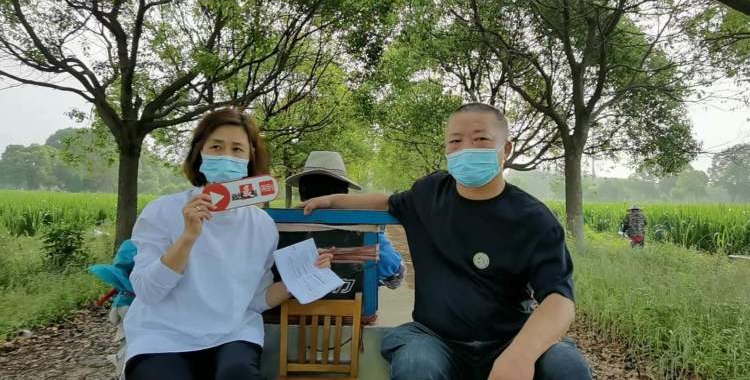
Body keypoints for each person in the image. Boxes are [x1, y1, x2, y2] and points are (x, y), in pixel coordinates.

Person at [302, 103, 592, 380]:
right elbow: (388, 202)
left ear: (506, 149)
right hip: (435, 339)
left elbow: (559, 299)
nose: (466, 149)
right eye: (455, 141)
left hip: (510, 338)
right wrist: (333, 200)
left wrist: (520, 356)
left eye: (480, 139)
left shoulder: (533, 218)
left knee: (566, 365)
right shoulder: (430, 193)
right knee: (416, 364)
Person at [123, 109, 332, 380]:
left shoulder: (262, 225)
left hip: (232, 334)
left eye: (237, 149)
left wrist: (303, 276)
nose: (226, 157)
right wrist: (187, 238)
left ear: (250, 157)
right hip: (162, 336)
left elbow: (256, 300)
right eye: (216, 147)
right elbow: (147, 292)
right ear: (200, 152)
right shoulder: (162, 210)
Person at [286, 151, 406, 289]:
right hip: (353, 301)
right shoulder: (366, 231)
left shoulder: (283, 230)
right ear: (344, 193)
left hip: (292, 301)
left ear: (302, 191)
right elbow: (395, 277)